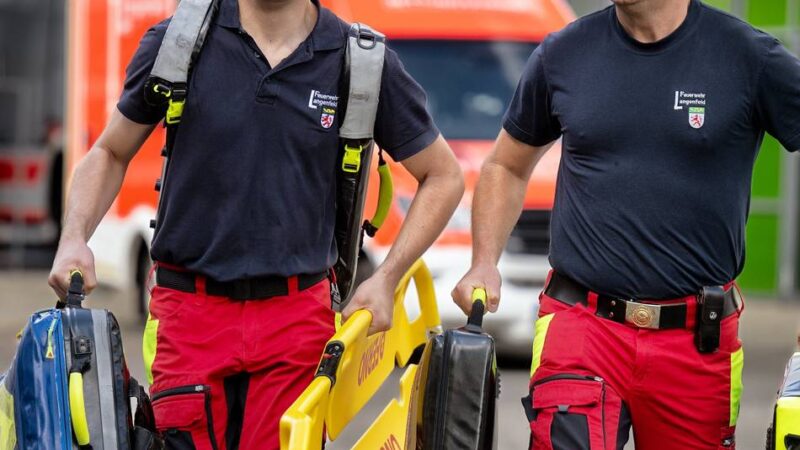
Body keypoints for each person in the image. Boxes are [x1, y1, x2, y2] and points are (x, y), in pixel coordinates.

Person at [48, 0, 464, 448]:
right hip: (190, 314)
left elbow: (443, 176)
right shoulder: (179, 41)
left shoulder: (358, 62)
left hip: (296, 320)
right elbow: (110, 152)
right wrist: (74, 238)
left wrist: (387, 279)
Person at [452, 0, 800, 448]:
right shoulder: (564, 53)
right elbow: (506, 166)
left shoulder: (749, 57)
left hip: (696, 343)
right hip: (582, 325)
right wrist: (484, 262)